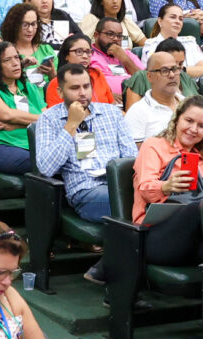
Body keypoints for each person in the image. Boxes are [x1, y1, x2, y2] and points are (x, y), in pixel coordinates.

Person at [31, 61, 136, 229]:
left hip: (118, 184)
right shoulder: (49, 118)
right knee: (133, 202)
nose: (82, 93)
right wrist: (71, 125)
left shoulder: (112, 113)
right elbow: (45, 168)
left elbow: (131, 157)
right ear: (60, 91)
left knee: (157, 196)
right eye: (74, 88)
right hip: (86, 191)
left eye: (86, 86)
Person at [133, 96, 203, 231]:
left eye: (201, 126)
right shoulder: (154, 145)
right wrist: (166, 186)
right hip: (154, 230)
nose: (193, 129)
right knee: (197, 209)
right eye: (189, 121)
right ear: (176, 120)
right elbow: (145, 191)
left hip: (198, 230)